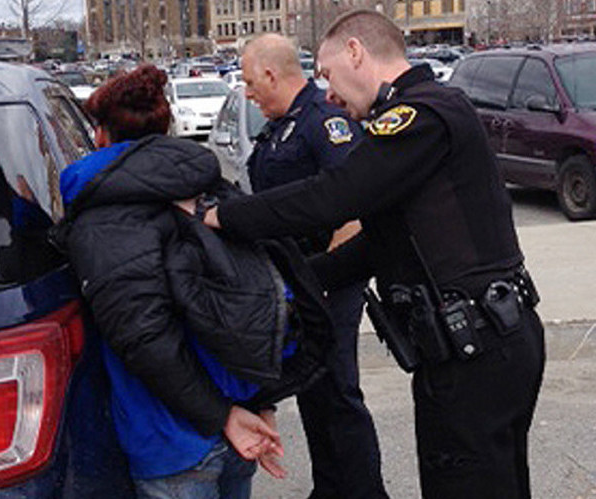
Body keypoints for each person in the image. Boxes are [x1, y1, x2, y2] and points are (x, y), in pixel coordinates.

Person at [203, 10, 545, 499]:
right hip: (481, 344)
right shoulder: (432, 112)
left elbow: (333, 195)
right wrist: (299, 281)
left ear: (355, 53)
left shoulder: (419, 117)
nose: (329, 95)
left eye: (325, 74)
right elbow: (384, 244)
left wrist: (224, 218)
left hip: (475, 351)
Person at [51, 64, 334, 498]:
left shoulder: (102, 221)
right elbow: (261, 295)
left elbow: (144, 336)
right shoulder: (209, 188)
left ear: (102, 135)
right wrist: (259, 400)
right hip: (240, 419)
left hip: (175, 442)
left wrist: (226, 415)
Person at [240, 34, 387, 499]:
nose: (246, 92)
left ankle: (364, 492)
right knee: (312, 388)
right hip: (300, 283)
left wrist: (323, 278)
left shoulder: (323, 123)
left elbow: (354, 205)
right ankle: (331, 488)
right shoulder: (281, 127)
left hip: (329, 280)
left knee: (338, 389)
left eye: (248, 82)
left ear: (269, 74)